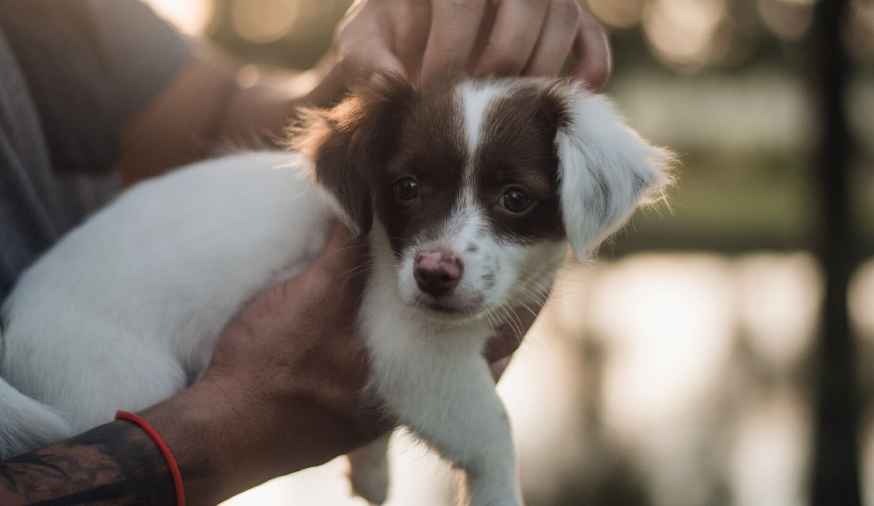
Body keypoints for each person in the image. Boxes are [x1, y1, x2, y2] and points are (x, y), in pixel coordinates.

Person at [0, 0, 611, 504]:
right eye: (408, 188)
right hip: (91, 342)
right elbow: (409, 367)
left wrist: (386, 48)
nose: (443, 251)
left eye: (512, 199)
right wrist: (494, 472)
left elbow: (215, 117)